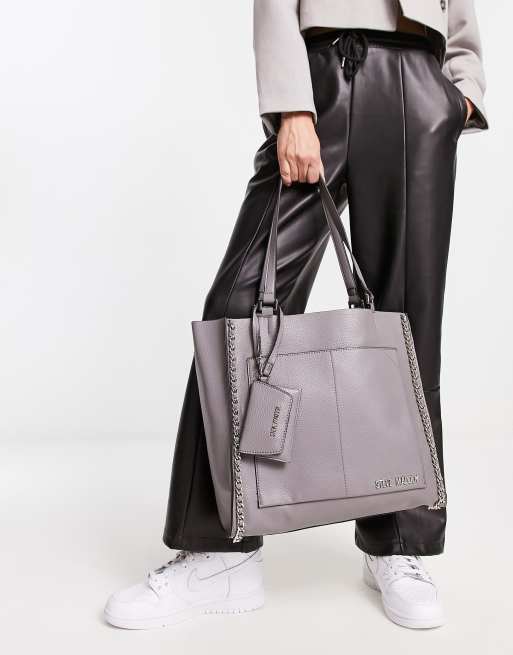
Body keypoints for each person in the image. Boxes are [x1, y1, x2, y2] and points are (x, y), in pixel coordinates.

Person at [104, 0, 487, 631]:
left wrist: (460, 91)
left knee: (409, 325)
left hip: (420, 83)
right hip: (321, 78)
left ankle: (400, 543)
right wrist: (292, 106)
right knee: (239, 310)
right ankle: (219, 551)